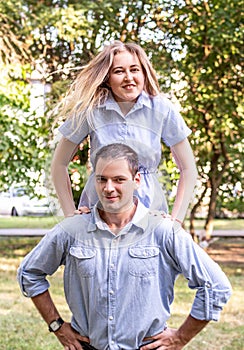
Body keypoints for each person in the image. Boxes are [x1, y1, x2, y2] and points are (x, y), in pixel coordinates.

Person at [18, 143, 231, 350]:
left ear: (136, 180)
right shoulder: (72, 230)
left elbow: (216, 286)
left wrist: (180, 338)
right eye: (102, 179)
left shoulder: (163, 231)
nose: (109, 188)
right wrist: (57, 325)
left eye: (119, 179)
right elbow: (29, 273)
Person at [51, 40, 198, 224]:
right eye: (119, 71)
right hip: (99, 211)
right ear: (107, 78)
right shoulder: (90, 110)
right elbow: (58, 165)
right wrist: (69, 216)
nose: (128, 77)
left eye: (134, 69)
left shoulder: (161, 108)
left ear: (144, 73)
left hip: (148, 212)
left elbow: (188, 168)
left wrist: (177, 219)